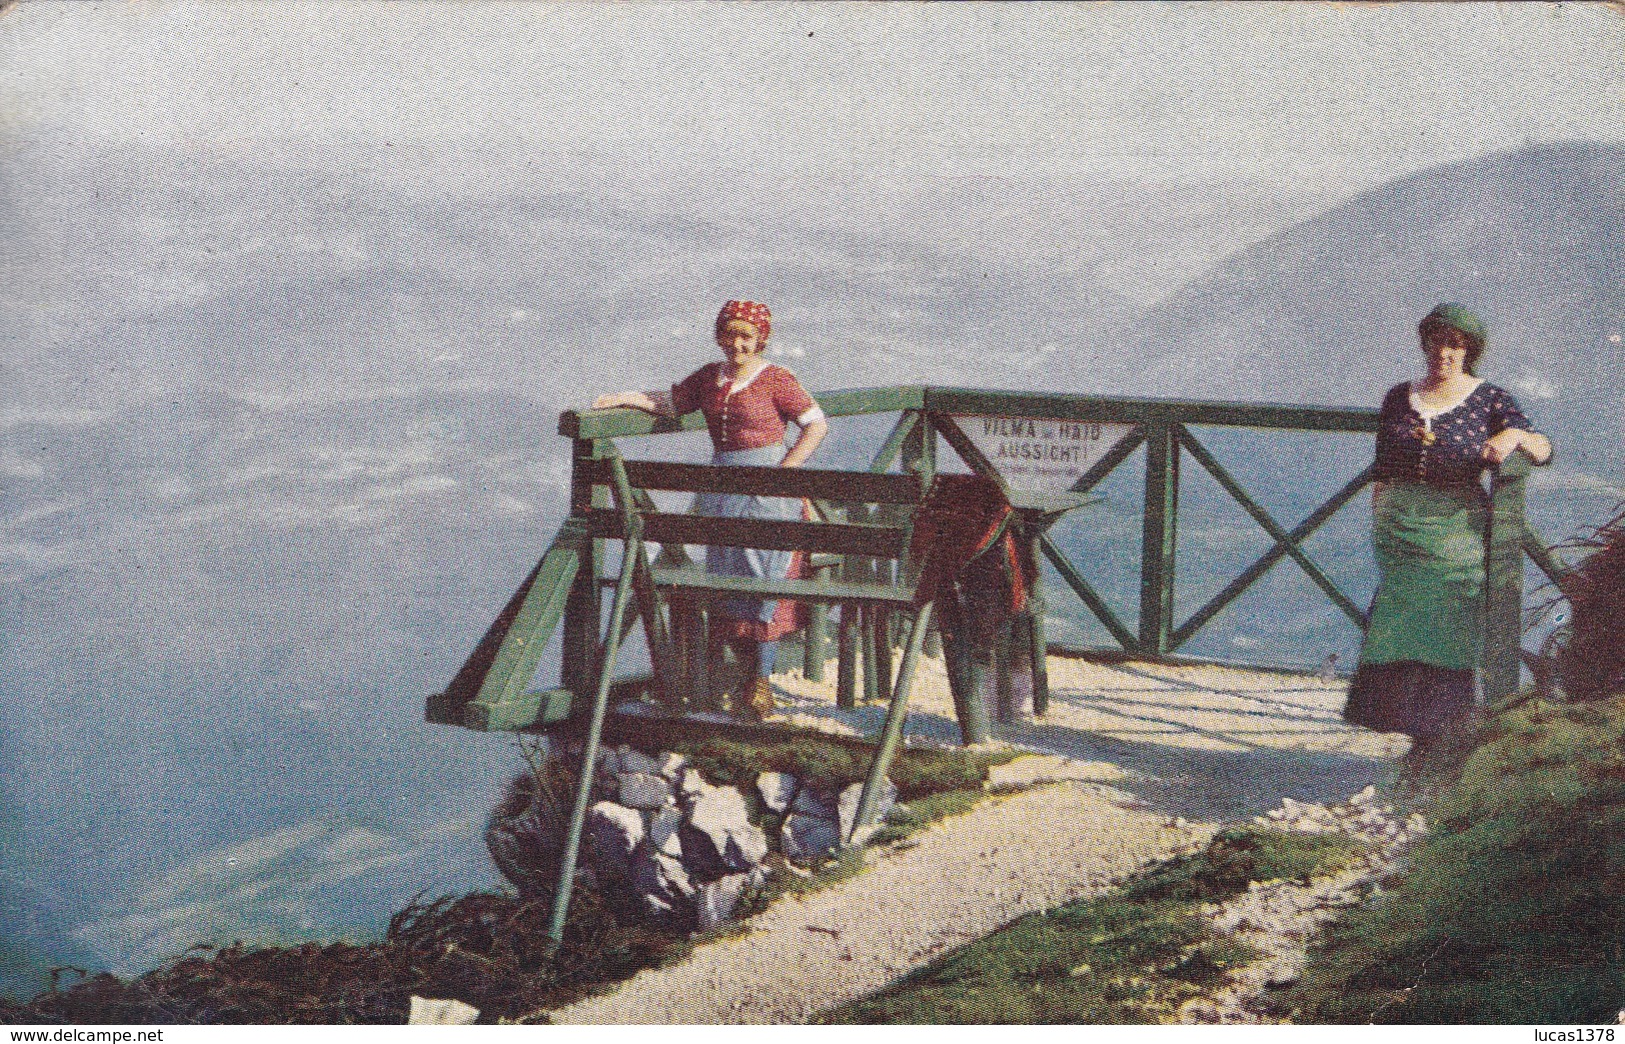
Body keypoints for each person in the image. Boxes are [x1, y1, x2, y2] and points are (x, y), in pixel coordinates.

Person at [593, 300, 828, 719]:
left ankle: (760, 682)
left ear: (761, 340)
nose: (736, 344)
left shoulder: (776, 379)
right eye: (730, 334)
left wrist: (786, 471)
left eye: (746, 337)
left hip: (767, 494)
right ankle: (734, 680)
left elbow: (816, 423)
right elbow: (671, 402)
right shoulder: (709, 377)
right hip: (721, 490)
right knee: (727, 579)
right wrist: (620, 398)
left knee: (764, 581)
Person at [1344, 303, 1551, 752]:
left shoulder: (1489, 397)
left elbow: (1541, 446)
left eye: (1456, 345)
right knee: (1398, 614)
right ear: (1425, 344)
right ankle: (1398, 725)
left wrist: (1511, 437)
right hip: (1398, 525)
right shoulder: (1399, 396)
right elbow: (1382, 466)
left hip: (1456, 526)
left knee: (1451, 609)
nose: (1445, 352)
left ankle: (1439, 728)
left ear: (1469, 351)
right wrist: (1379, 518)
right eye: (1438, 341)